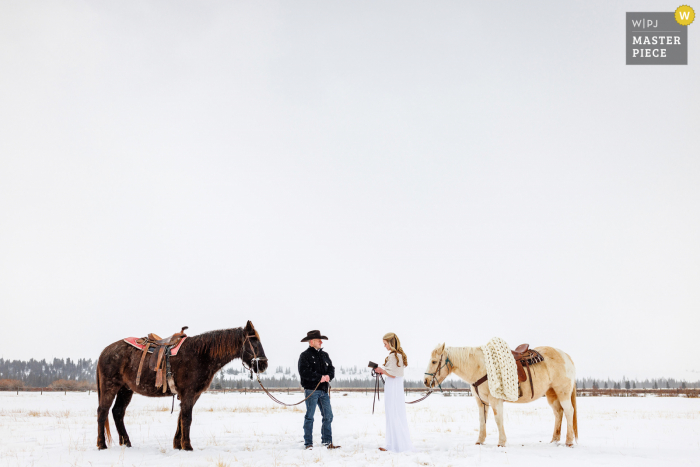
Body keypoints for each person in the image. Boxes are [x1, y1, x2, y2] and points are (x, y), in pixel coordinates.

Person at [298, 330, 340, 450]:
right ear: (312, 342)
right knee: (310, 417)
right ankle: (308, 443)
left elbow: (331, 369)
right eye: (318, 340)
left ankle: (327, 441)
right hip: (311, 390)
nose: (321, 342)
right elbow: (304, 372)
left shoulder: (324, 355)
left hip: (324, 391)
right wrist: (319, 377)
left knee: (328, 416)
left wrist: (328, 376)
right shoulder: (304, 356)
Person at [373, 332, 414, 453]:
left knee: (394, 413)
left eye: (385, 344)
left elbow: (394, 374)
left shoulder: (395, 356)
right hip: (393, 387)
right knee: (393, 413)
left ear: (391, 343)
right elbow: (392, 372)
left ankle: (396, 445)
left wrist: (382, 370)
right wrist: (382, 371)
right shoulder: (396, 355)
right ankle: (392, 443)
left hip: (393, 387)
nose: (384, 346)